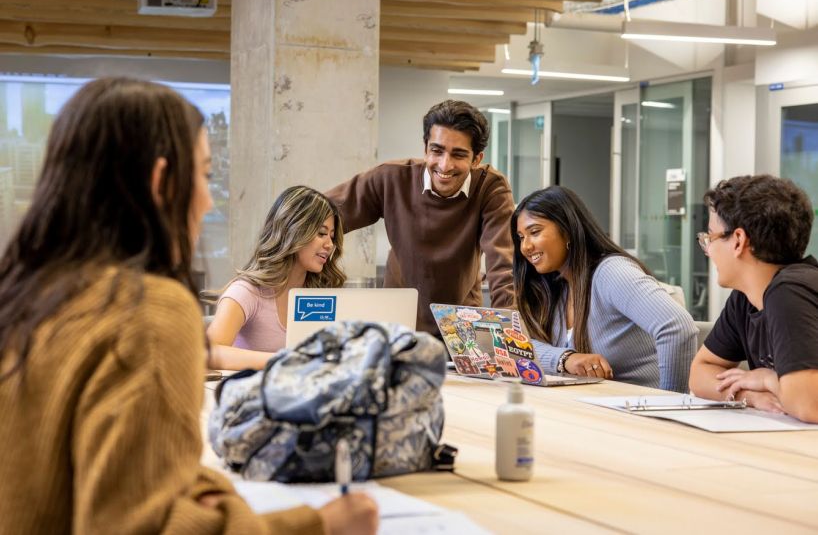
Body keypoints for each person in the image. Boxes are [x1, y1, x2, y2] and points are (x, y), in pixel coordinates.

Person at [0, 78, 377, 535]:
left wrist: (195, 485)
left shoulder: (24, 294)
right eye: (204, 174)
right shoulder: (149, 313)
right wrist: (318, 525)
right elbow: (140, 526)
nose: (207, 199)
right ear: (162, 182)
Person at [326, 99, 515, 336]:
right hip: (398, 323)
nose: (445, 165)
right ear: (425, 148)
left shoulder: (491, 188)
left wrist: (509, 339)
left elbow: (504, 266)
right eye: (437, 151)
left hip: (462, 328)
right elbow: (319, 214)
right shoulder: (392, 179)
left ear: (476, 159)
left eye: (458, 154)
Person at [512, 186, 697, 392]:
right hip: (593, 407)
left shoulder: (611, 272)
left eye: (535, 232)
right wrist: (566, 359)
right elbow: (519, 346)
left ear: (568, 230)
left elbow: (677, 327)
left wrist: (670, 404)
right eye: (521, 237)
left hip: (638, 414)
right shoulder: (556, 287)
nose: (525, 247)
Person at [688, 175, 818, 423]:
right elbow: (700, 372)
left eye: (710, 238)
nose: (708, 251)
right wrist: (748, 395)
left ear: (738, 240)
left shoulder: (790, 291)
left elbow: (809, 402)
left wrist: (767, 379)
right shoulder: (746, 298)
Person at [206, 186, 345, 370]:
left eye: (332, 237)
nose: (329, 244)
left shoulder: (322, 293)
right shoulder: (246, 291)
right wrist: (285, 361)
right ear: (292, 230)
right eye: (321, 233)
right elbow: (209, 353)